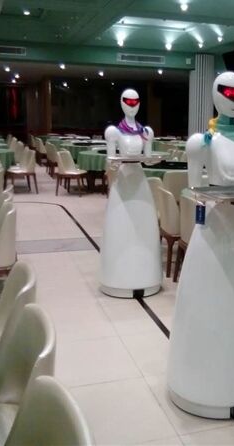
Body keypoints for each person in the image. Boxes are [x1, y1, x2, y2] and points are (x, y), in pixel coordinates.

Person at [167, 72, 234, 419]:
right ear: (215, 94)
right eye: (227, 92)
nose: (233, 98)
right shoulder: (201, 142)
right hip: (211, 229)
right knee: (206, 304)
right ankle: (199, 383)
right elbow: (195, 188)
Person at [100, 89, 162, 298]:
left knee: (145, 228)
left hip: (139, 180)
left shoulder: (145, 131)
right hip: (123, 180)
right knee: (120, 228)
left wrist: (151, 158)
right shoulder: (114, 132)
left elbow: (148, 157)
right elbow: (111, 161)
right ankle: (116, 279)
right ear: (121, 103)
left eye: (135, 101)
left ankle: (147, 277)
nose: (132, 105)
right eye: (128, 101)